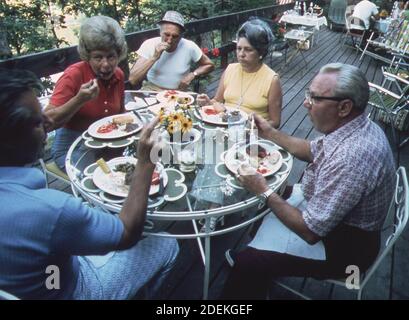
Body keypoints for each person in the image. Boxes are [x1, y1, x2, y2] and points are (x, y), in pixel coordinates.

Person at [0, 69, 179, 299]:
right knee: (167, 245)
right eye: (37, 122)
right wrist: (146, 161)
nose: (48, 122)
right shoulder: (52, 210)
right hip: (75, 289)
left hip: (43, 280)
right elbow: (127, 233)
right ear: (11, 140)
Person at [221, 63, 395, 299]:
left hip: (345, 249)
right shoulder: (356, 125)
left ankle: (253, 269)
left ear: (344, 107)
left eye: (314, 98)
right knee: (267, 200)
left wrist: (263, 190)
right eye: (307, 94)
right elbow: (311, 150)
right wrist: (269, 132)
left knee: (247, 262)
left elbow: (310, 231)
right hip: (330, 214)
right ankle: (260, 268)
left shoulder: (352, 158)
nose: (306, 103)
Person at [45, 15, 128, 170]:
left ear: (119, 54)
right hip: (72, 149)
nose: (106, 65)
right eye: (98, 57)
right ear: (87, 56)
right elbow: (46, 123)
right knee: (102, 178)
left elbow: (121, 113)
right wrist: (79, 100)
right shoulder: (74, 75)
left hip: (106, 145)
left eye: (111, 56)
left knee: (130, 169)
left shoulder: (118, 74)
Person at [197, 18, 282, 128]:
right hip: (225, 127)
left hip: (254, 134)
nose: (241, 54)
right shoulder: (230, 69)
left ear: (261, 52)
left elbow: (275, 122)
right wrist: (208, 102)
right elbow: (217, 101)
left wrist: (256, 126)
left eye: (248, 49)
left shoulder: (272, 79)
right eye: (239, 48)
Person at [129, 11, 214, 91]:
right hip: (152, 89)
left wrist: (193, 75)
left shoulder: (189, 46)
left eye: (175, 36)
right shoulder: (149, 44)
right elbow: (133, 79)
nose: (169, 40)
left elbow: (209, 65)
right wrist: (154, 57)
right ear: (160, 32)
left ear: (181, 36)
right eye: (166, 34)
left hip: (179, 92)